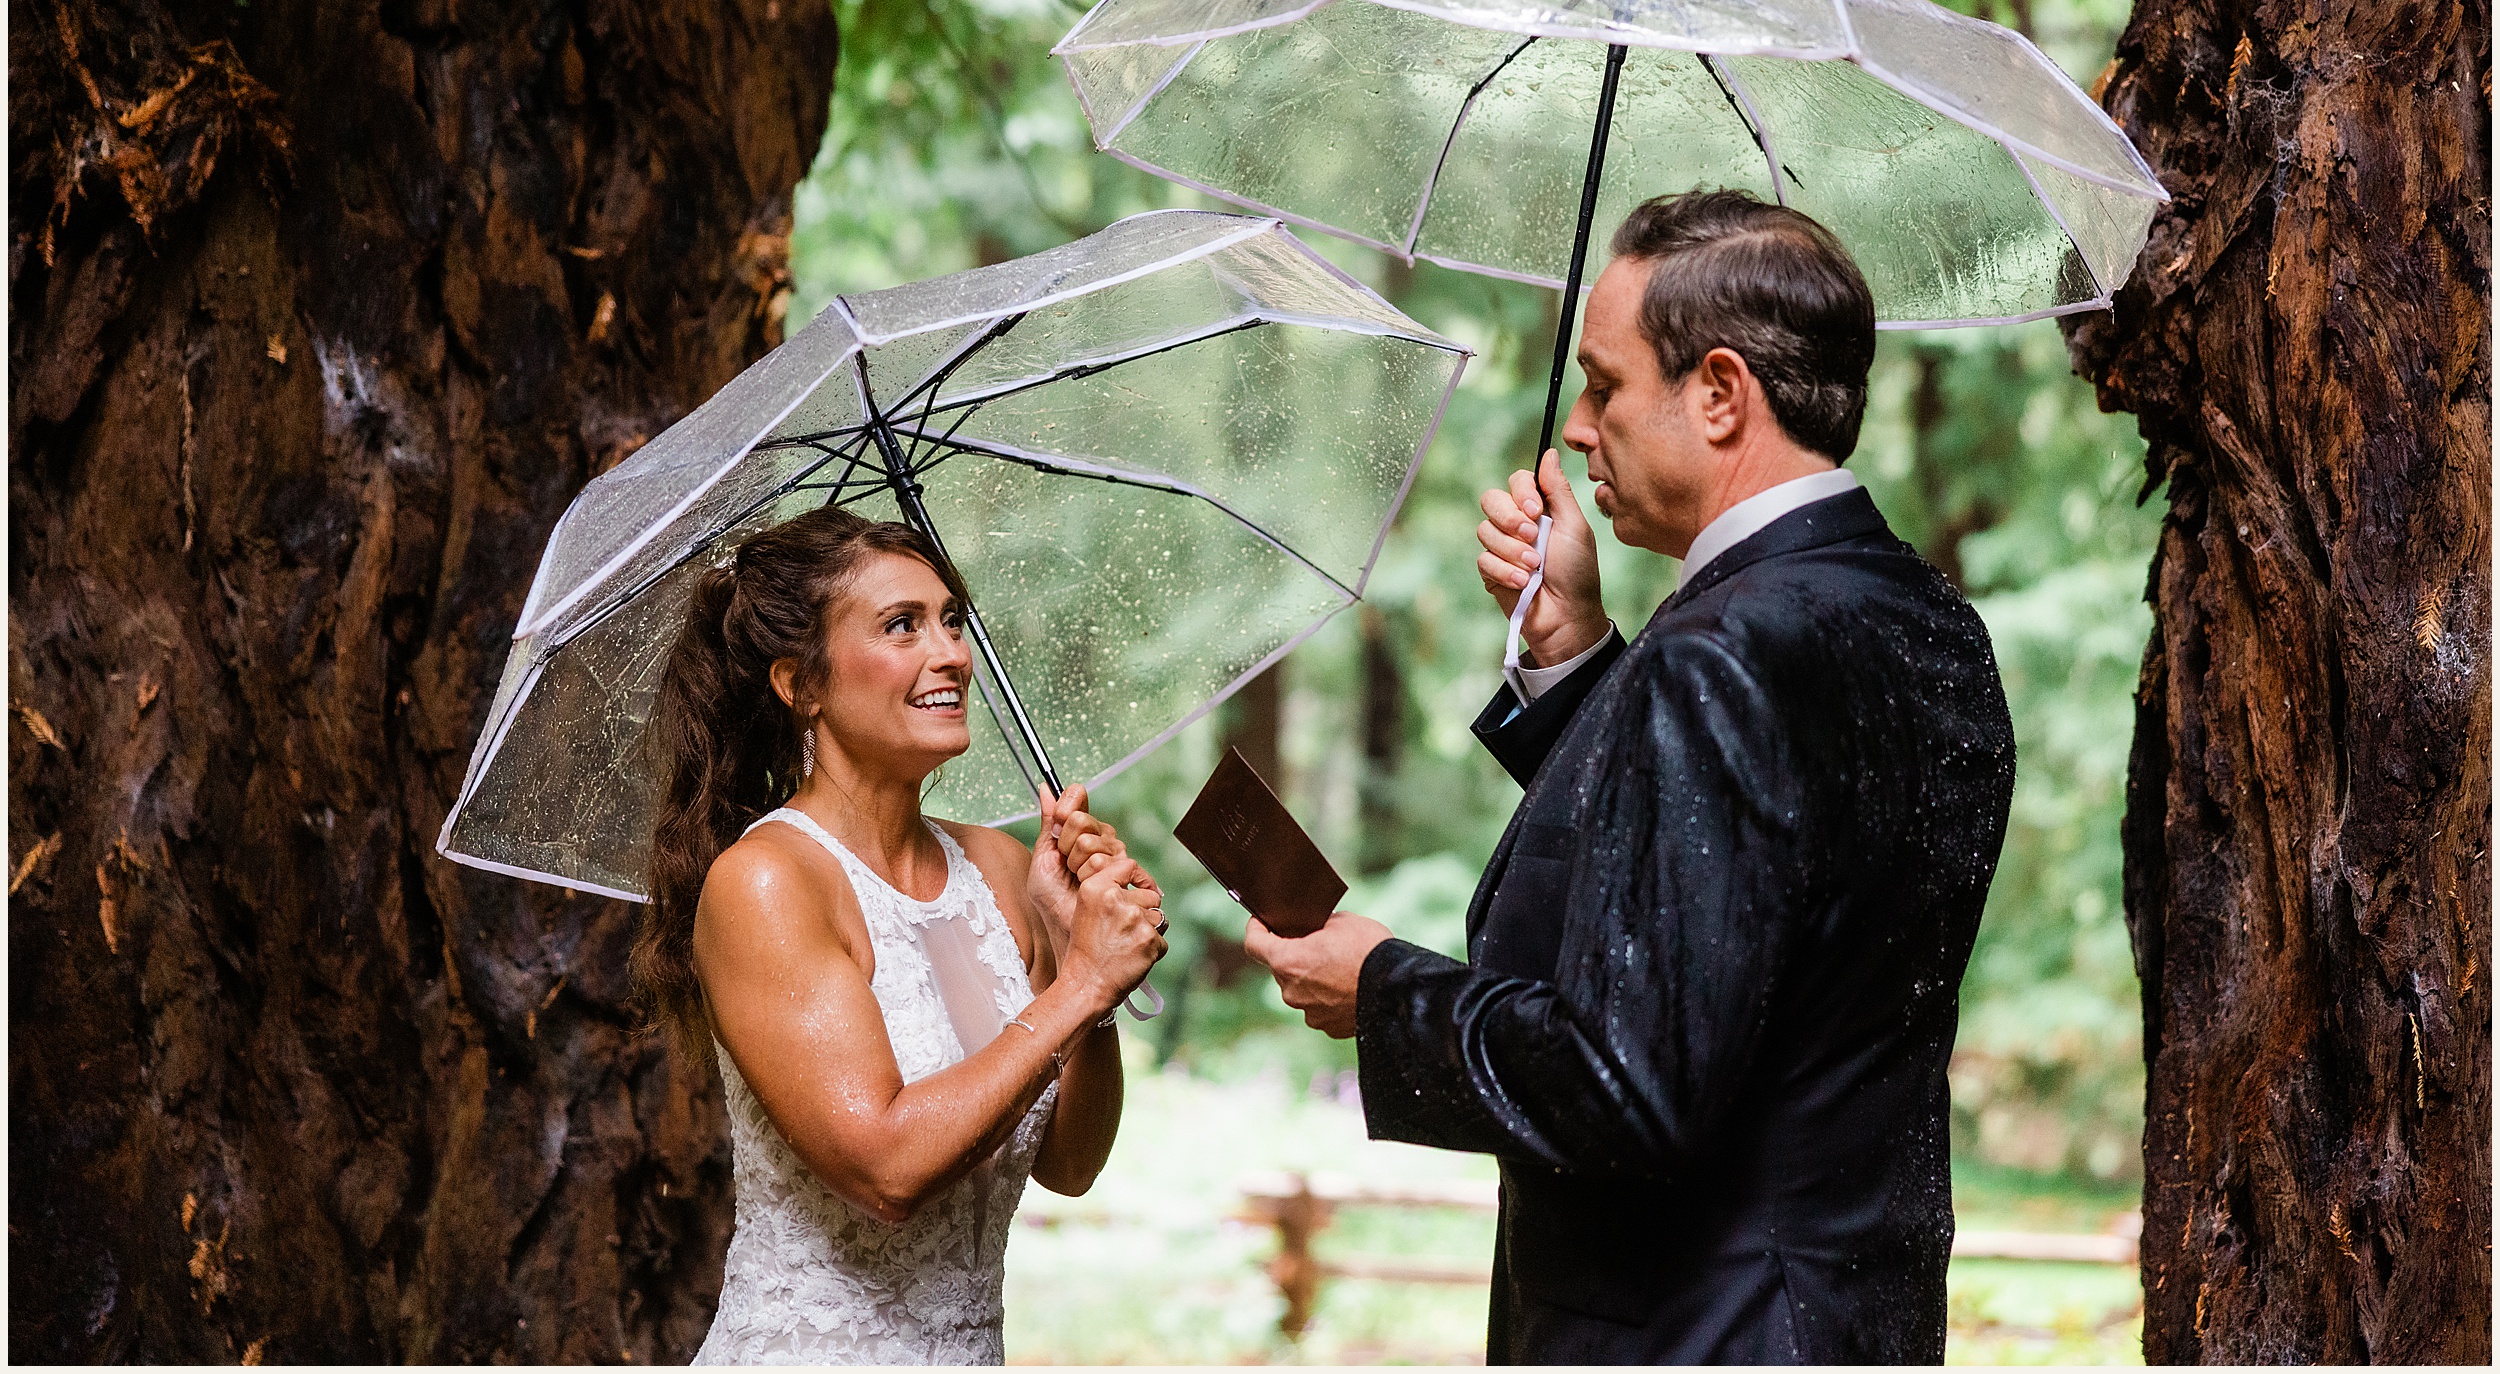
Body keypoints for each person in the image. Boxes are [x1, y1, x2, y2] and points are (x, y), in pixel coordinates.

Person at [1246, 189, 2017, 1363]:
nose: (1575, 425)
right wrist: (1573, 655)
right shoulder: (1919, 617)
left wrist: (1387, 990)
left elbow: (1629, 1081)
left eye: (1602, 384)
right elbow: (1742, 896)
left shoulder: (1720, 649)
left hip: (1687, 1326)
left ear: (1719, 394)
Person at [631, 506, 1168, 1365]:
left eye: (952, 620)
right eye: (902, 626)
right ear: (800, 685)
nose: (951, 653)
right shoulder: (767, 883)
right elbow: (887, 1170)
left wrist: (1078, 960)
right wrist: (1083, 987)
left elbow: (1070, 1164)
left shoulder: (998, 865)